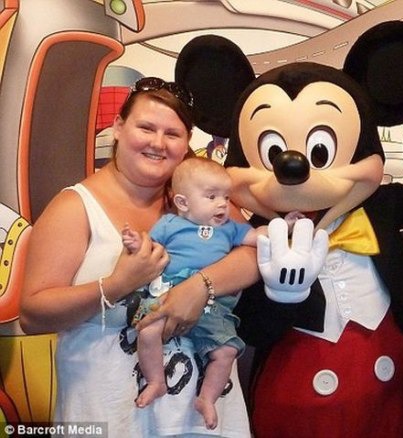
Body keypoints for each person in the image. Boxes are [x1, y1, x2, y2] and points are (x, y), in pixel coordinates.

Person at [19, 77, 257, 437]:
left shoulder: (201, 199)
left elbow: (252, 254)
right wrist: (118, 284)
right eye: (146, 127)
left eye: (172, 134)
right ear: (118, 127)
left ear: (187, 143)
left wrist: (199, 286)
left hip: (201, 421)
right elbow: (33, 315)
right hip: (111, 415)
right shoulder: (75, 206)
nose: (157, 143)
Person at [122, 157, 277, 430]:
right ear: (183, 203)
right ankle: (156, 381)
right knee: (147, 332)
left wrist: (279, 227)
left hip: (213, 305)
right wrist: (137, 242)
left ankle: (207, 398)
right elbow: (150, 249)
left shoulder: (229, 229)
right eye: (212, 197)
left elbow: (256, 238)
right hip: (167, 294)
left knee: (227, 351)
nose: (222, 204)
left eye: (226, 197)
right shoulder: (169, 224)